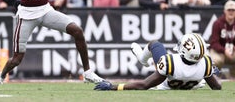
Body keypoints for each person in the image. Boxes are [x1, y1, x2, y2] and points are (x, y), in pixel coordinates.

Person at [94, 33, 222, 90]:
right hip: (193, 82)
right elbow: (217, 87)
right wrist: (209, 74)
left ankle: (142, 59)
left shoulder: (170, 62)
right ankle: (201, 81)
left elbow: (144, 85)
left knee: (155, 44)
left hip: (166, 84)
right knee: (203, 78)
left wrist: (116, 87)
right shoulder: (206, 63)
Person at [209, 0, 235, 78]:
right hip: (219, 51)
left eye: (233, 10)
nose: (231, 12)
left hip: (233, 51)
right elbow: (214, 42)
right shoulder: (217, 23)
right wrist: (224, 50)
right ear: (224, 11)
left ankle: (233, 77)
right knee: (215, 61)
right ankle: (214, 78)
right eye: (229, 10)